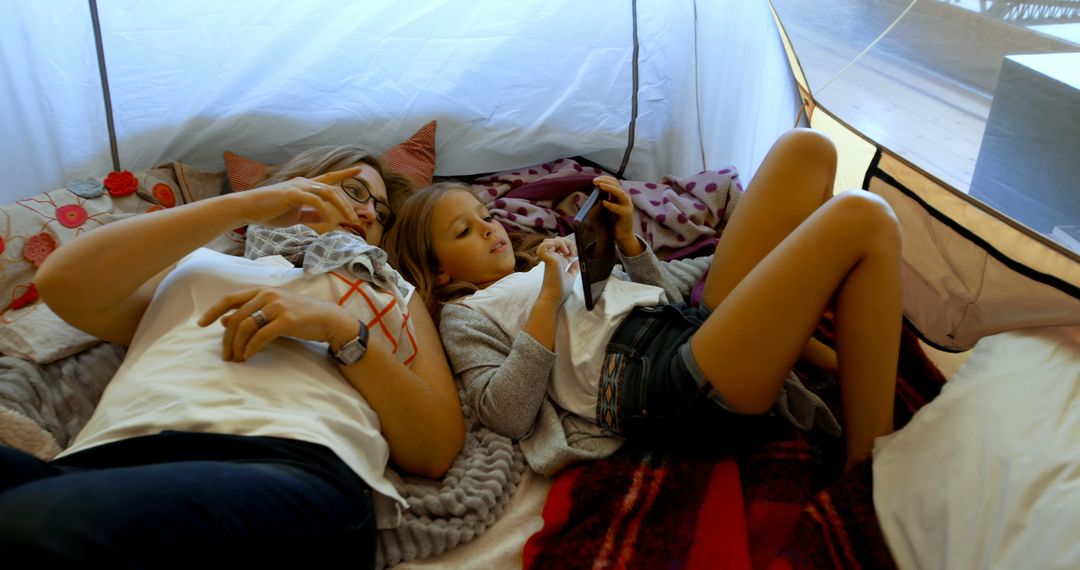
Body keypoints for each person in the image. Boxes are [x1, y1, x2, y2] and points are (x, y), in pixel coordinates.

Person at [0, 146, 465, 566]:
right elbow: (64, 283)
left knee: (30, 523)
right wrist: (247, 205)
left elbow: (435, 450)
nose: (366, 212)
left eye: (380, 212)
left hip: (286, 467)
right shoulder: (200, 260)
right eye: (354, 190)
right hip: (104, 457)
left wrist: (339, 327)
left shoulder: (386, 288)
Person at [385, 129, 900, 475]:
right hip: (664, 387)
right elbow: (506, 414)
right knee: (863, 216)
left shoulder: (540, 260)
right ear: (439, 269)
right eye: (464, 231)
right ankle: (869, 464)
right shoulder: (462, 316)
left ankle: (830, 357)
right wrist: (547, 297)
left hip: (688, 329)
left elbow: (668, 299)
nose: (490, 229)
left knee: (806, 147)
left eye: (485, 216)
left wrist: (630, 242)